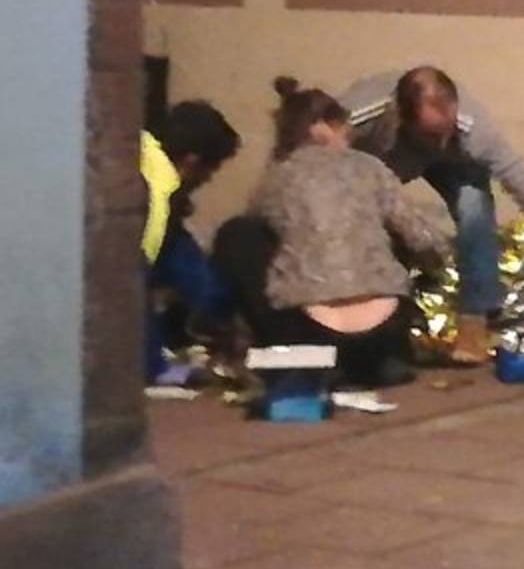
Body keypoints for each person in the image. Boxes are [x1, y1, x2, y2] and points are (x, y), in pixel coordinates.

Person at [339, 67, 524, 364]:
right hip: (382, 160)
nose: (440, 142)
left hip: (458, 160)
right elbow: (309, 156)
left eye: (446, 130)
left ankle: (474, 323)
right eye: (431, 134)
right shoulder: (361, 113)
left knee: (475, 213)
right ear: (400, 117)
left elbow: (523, 180)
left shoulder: (472, 127)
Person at [244, 77, 452, 387]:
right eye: (346, 131)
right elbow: (421, 237)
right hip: (385, 319)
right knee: (394, 235)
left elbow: (254, 224)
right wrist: (436, 268)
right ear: (325, 127)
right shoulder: (370, 167)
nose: (349, 140)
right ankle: (383, 357)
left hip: (311, 323)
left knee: (238, 235)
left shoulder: (276, 177)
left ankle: (281, 352)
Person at [140, 101, 240, 384]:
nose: (207, 180)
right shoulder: (157, 194)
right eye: (211, 170)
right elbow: (130, 279)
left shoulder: (137, 153)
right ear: (192, 161)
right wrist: (153, 365)